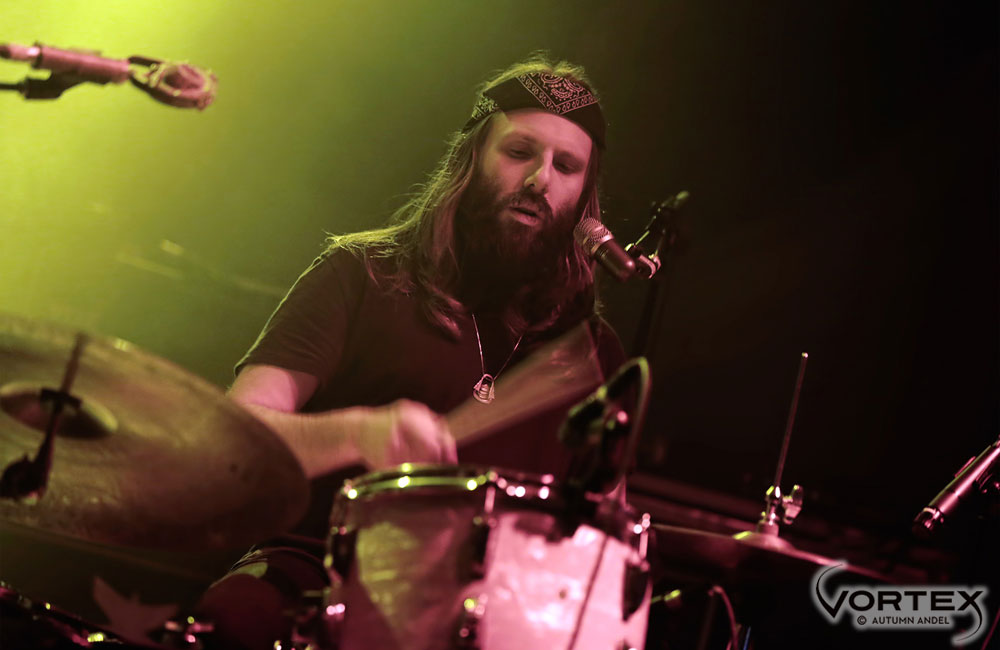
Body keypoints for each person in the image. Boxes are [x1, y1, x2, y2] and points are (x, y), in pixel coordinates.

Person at [196, 54, 625, 649]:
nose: (540, 180)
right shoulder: (360, 273)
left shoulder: (589, 352)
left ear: (584, 197)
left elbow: (601, 547)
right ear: (471, 158)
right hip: (318, 575)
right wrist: (355, 433)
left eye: (567, 165)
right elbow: (231, 440)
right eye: (519, 152)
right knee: (235, 619)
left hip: (498, 619)